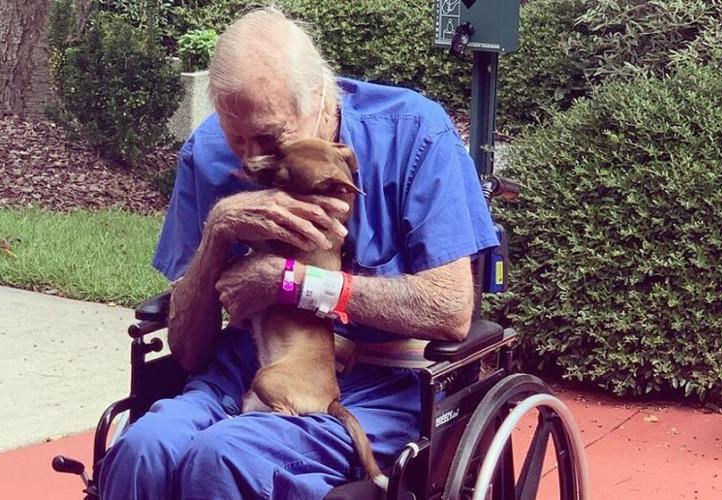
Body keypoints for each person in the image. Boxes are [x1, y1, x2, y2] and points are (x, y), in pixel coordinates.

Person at [99, 7, 499, 500]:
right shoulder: (207, 152)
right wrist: (218, 232)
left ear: (319, 96)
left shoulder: (415, 133)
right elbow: (187, 351)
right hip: (241, 368)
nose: (251, 159)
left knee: (224, 457)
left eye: (269, 138)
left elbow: (449, 310)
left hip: (381, 384)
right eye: (236, 138)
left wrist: (291, 282)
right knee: (143, 449)